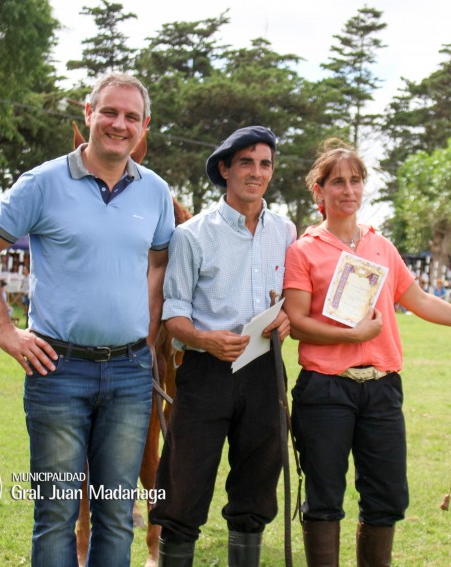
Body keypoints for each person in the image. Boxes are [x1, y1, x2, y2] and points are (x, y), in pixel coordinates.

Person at [0, 72, 175, 566]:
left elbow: (160, 262)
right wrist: (4, 331)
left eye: (130, 117)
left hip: (128, 374)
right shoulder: (42, 183)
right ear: (88, 113)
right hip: (56, 370)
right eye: (109, 112)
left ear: (145, 126)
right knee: (57, 514)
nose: (119, 124)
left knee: (117, 513)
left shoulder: (156, 193)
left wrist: (144, 332)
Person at [282, 139, 451, 567]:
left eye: (356, 180)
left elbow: (421, 301)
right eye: (337, 181)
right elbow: (296, 322)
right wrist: (352, 337)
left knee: (387, 497)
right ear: (319, 191)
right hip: (325, 392)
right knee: (324, 499)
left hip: (382, 390)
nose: (348, 190)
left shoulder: (381, 247)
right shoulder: (304, 250)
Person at [150, 126, 296, 566]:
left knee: (257, 485)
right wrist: (201, 337)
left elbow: (292, 298)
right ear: (225, 169)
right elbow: (172, 315)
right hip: (205, 373)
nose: (257, 172)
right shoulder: (192, 235)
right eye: (246, 163)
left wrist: (286, 318)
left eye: (265, 163)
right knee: (183, 484)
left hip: (264, 371)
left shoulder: (286, 232)